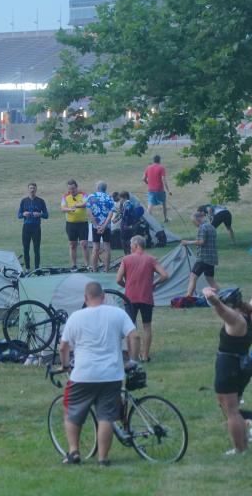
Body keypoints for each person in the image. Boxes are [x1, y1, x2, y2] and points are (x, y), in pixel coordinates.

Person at [58, 282, 137, 466]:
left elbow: (63, 346)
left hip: (83, 375)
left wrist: (65, 365)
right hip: (112, 375)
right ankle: (103, 459)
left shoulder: (76, 317)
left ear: (85, 299)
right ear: (103, 296)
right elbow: (134, 336)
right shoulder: (117, 313)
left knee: (71, 412)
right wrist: (133, 361)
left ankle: (74, 451)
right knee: (106, 417)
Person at [205, 282, 252, 455]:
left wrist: (209, 296)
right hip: (241, 367)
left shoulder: (235, 320)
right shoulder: (250, 315)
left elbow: (218, 307)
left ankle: (240, 449)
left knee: (231, 412)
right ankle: (243, 443)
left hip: (228, 367)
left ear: (230, 305)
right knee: (231, 408)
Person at [116, 236, 169, 362]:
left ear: (136, 244)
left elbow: (118, 280)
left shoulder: (126, 259)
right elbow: (165, 275)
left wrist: (127, 286)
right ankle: (145, 355)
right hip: (146, 297)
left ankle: (132, 356)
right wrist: (154, 284)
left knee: (130, 327)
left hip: (130, 298)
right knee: (147, 326)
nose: (130, 246)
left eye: (130, 244)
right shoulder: (151, 259)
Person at [185, 211, 218, 297]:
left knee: (193, 276)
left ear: (198, 218)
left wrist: (188, 242)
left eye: (194, 221)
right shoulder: (211, 226)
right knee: (210, 279)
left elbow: (202, 242)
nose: (194, 224)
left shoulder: (202, 227)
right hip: (212, 258)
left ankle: (188, 297)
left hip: (203, 257)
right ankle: (220, 296)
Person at [60, 179, 90, 271]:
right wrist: (69, 209)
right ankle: (74, 265)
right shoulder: (65, 196)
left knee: (84, 244)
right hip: (70, 224)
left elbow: (85, 204)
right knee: (72, 244)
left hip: (82, 223)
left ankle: (87, 265)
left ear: (76, 187)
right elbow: (62, 208)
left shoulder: (83, 194)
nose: (71, 191)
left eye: (73, 188)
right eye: (69, 189)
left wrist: (77, 206)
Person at [17, 182, 49, 270]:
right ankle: (27, 269)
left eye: (34, 188)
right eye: (30, 188)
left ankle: (37, 269)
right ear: (28, 189)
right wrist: (24, 214)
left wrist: (40, 214)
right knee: (26, 249)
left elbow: (46, 215)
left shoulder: (40, 201)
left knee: (36, 249)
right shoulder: (24, 201)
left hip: (36, 228)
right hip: (26, 228)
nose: (32, 190)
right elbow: (19, 215)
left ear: (36, 189)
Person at [86, 181, 116, 272]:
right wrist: (104, 225)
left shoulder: (91, 197)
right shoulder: (109, 198)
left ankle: (94, 269)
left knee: (95, 247)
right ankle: (106, 269)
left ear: (98, 187)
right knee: (107, 247)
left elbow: (89, 213)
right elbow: (111, 213)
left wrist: (96, 225)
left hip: (96, 226)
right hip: (106, 226)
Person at [143, 155, 171, 223]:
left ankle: (147, 220)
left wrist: (148, 184)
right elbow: (163, 179)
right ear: (159, 160)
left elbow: (143, 179)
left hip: (151, 190)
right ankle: (165, 219)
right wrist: (168, 190)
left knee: (150, 205)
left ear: (153, 160)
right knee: (164, 204)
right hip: (160, 189)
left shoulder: (148, 168)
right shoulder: (161, 168)